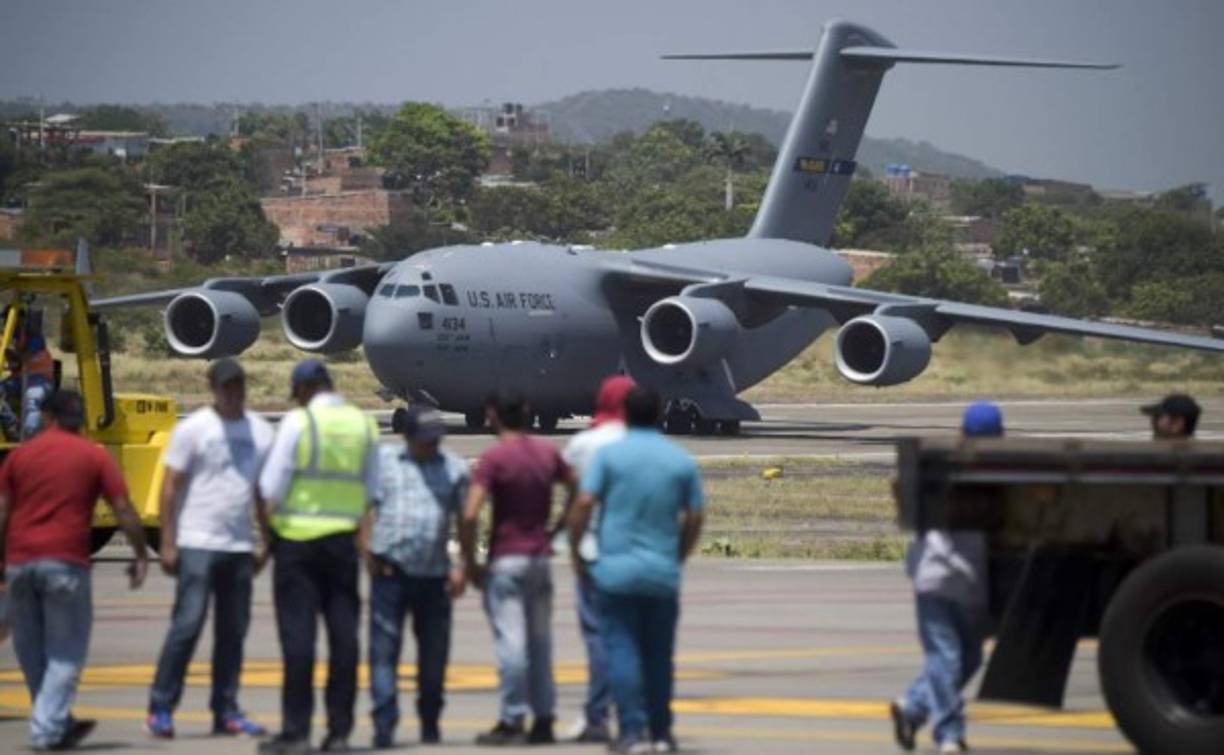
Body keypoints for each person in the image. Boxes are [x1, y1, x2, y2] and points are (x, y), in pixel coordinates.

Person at [0, 390, 149, 750]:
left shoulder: (21, 456)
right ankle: (47, 729)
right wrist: (141, 553)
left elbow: (3, 512)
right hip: (64, 563)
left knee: (31, 651)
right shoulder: (93, 457)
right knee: (66, 653)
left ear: (48, 418)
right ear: (80, 419)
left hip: (20, 565)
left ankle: (54, 720)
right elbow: (124, 509)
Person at [567, 386, 705, 754]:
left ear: (624, 414)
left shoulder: (610, 457)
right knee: (659, 657)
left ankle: (630, 732)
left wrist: (576, 552)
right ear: (659, 412)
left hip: (616, 571)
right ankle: (661, 732)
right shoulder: (680, 460)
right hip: (662, 571)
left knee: (622, 652)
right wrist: (679, 553)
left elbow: (582, 504)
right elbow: (695, 516)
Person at [144, 359, 274, 739]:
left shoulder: (261, 432)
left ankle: (226, 710)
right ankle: (161, 708)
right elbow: (170, 486)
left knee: (233, 633)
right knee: (186, 626)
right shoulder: (194, 429)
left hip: (237, 545)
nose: (233, 392)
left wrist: (266, 541)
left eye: (238, 385)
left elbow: (262, 492)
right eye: (226, 386)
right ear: (213, 388)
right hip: (197, 541)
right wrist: (167, 541)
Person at [257, 360, 379, 755]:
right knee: (345, 640)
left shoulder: (299, 423)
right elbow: (371, 497)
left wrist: (267, 539)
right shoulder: (363, 425)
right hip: (343, 545)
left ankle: (296, 733)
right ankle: (339, 733)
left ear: (304, 389)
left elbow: (267, 488)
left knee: (299, 642)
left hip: (297, 546)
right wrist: (368, 550)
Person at [459, 391, 576, 746]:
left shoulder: (494, 459)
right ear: (527, 413)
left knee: (512, 643)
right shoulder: (546, 452)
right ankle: (544, 718)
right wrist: (557, 529)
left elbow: (469, 513)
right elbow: (578, 489)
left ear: (493, 416)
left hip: (507, 559)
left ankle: (512, 719)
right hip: (539, 558)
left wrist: (470, 562)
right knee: (541, 644)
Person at [889, 401, 996, 754]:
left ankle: (914, 707)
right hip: (949, 578)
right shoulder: (992, 471)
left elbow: (898, 487)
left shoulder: (942, 465)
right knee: (949, 657)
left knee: (965, 658)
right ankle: (949, 734)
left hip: (945, 579)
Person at [359, 405, 469, 748]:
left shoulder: (453, 467)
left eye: (436, 439)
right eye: (425, 440)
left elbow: (465, 519)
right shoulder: (385, 463)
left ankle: (430, 720)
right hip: (390, 573)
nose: (432, 445)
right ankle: (384, 721)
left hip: (434, 577)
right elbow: (365, 508)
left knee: (434, 656)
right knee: (383, 652)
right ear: (407, 437)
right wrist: (368, 553)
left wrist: (462, 565)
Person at [558, 375, 636, 743]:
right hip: (639, 556)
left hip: (595, 554)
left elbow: (576, 502)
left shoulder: (584, 444)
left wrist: (572, 549)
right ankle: (638, 718)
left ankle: (597, 714)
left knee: (599, 640)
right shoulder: (652, 448)